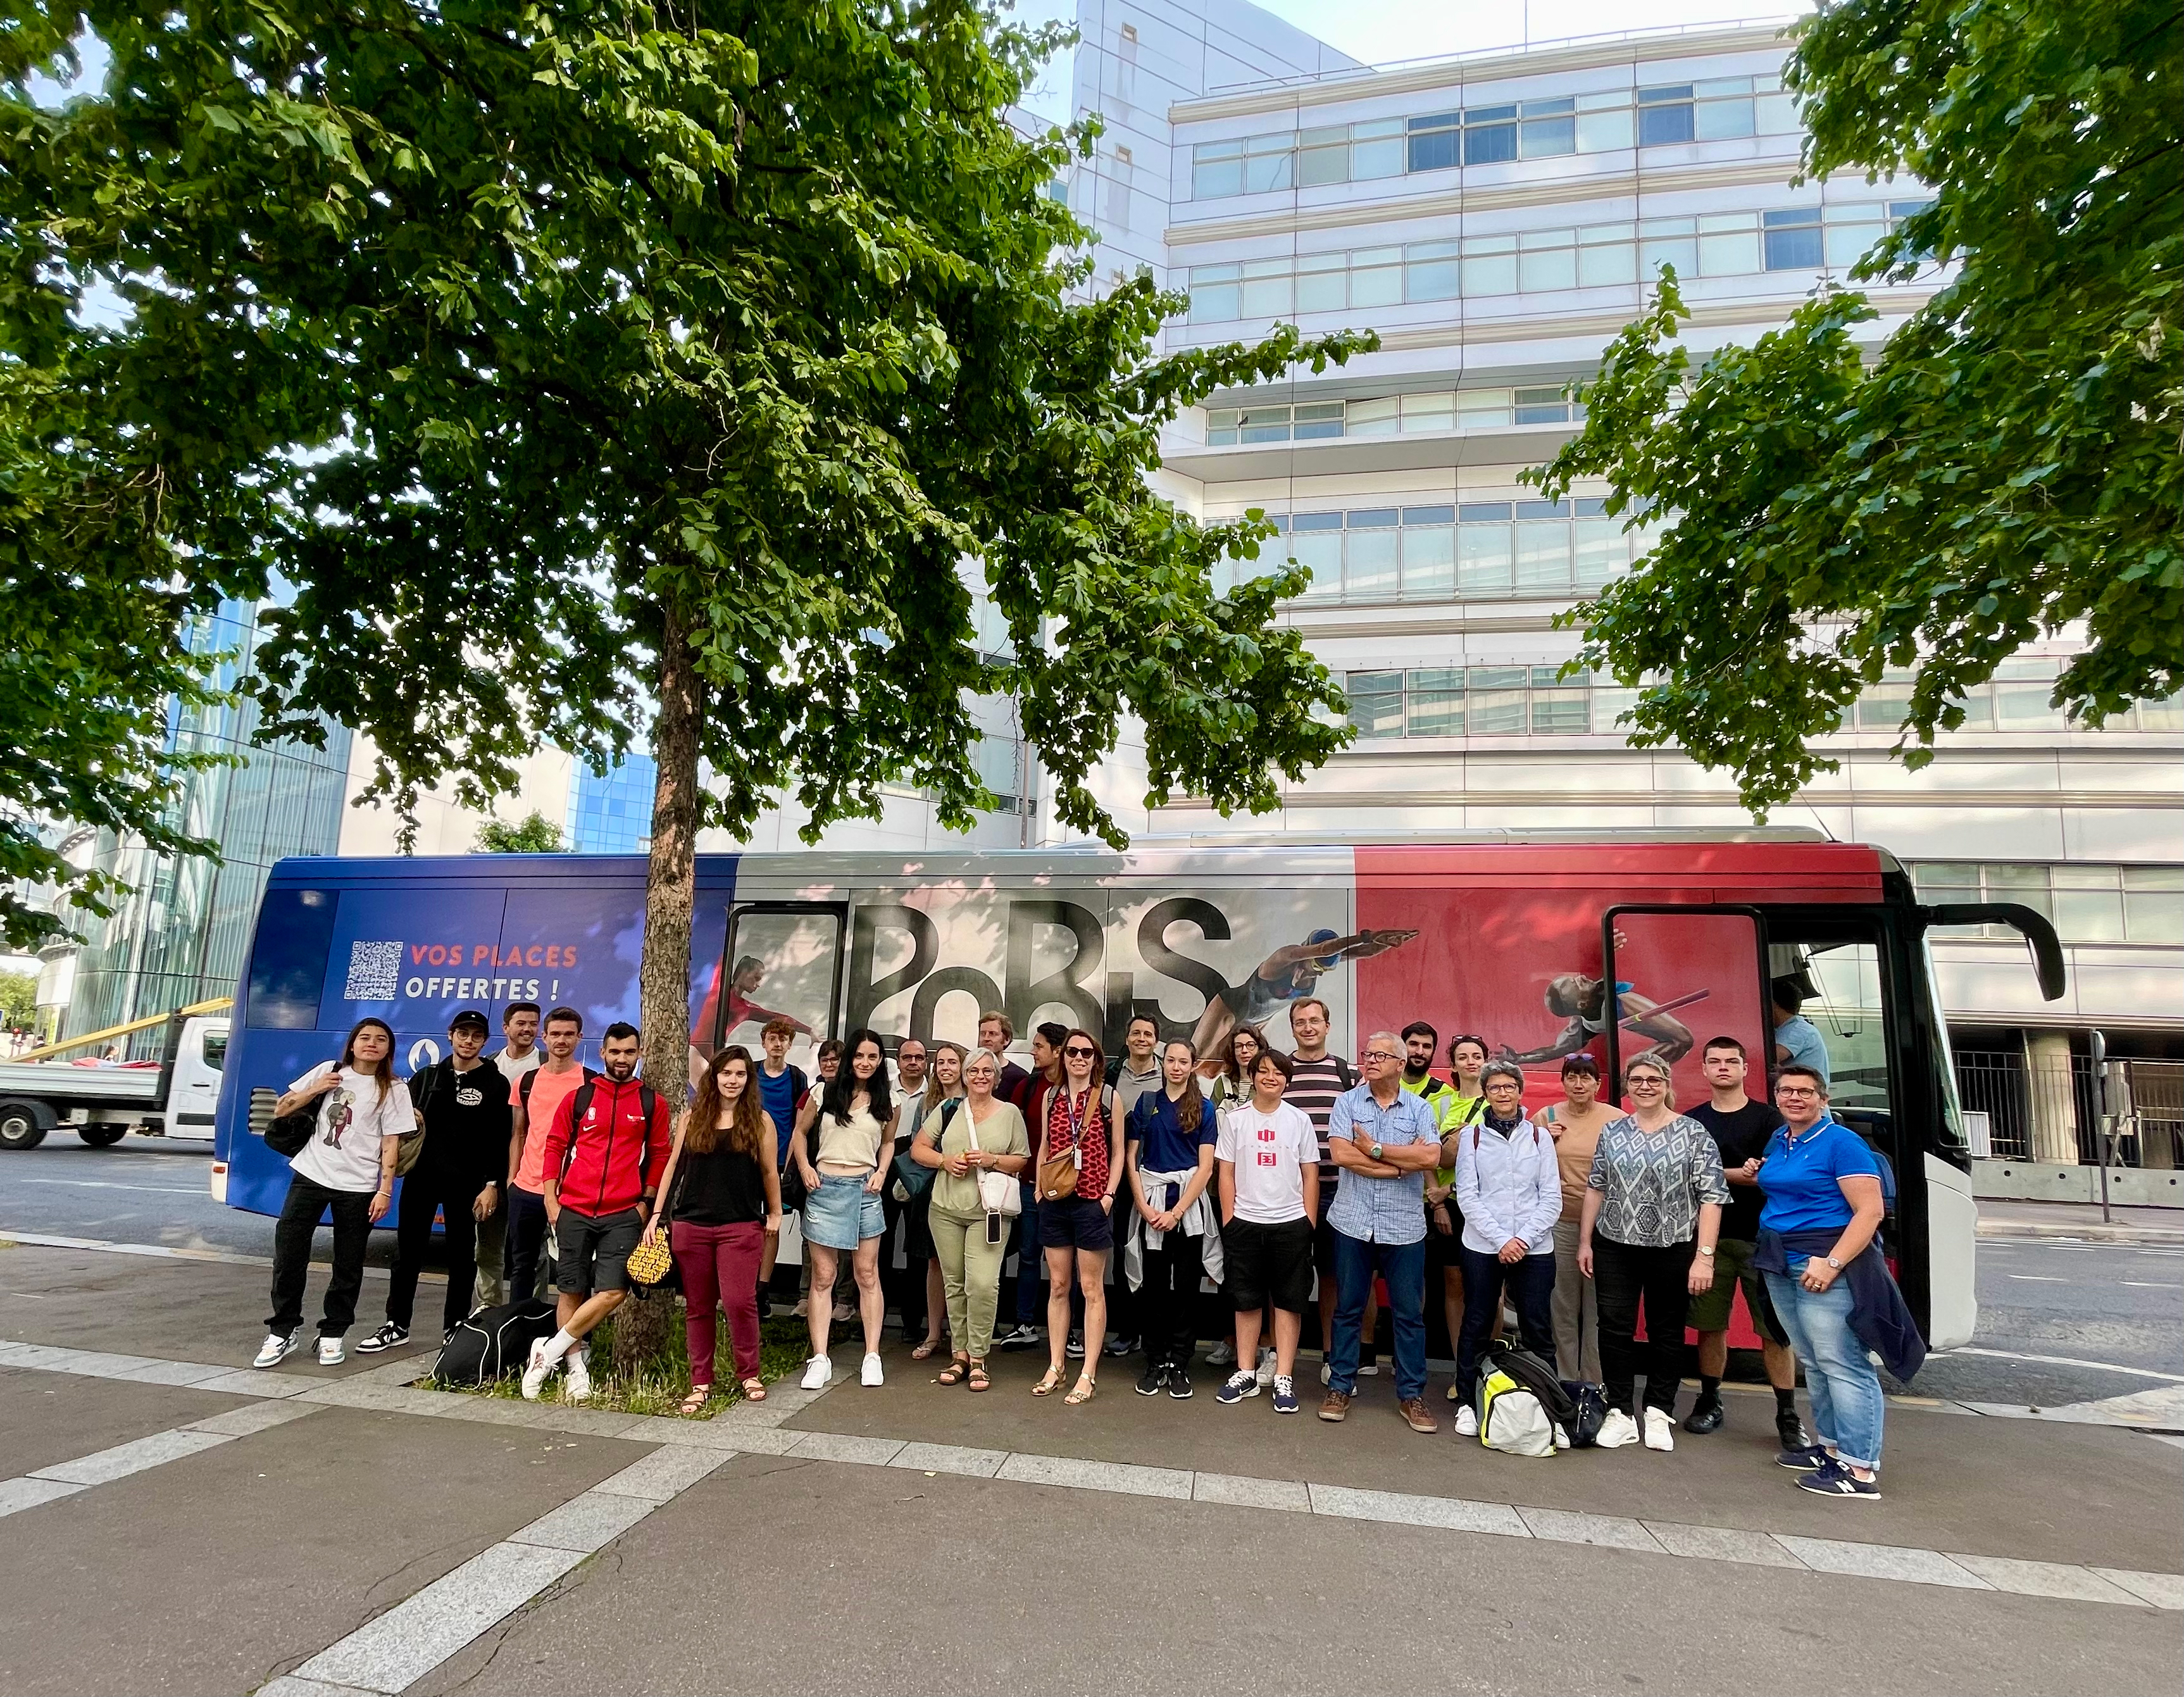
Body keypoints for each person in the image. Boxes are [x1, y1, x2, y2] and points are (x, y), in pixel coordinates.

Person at [1754, 1065, 1907, 1500]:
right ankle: (1831, 1447)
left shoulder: (1842, 1143)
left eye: (1805, 1091)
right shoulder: (1781, 1139)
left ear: (1823, 1098)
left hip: (1821, 1261)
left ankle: (1859, 1470)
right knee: (1814, 1360)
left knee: (1843, 1363)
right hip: (1780, 1259)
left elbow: (1869, 1211)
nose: (1794, 1097)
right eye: (1786, 1090)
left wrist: (1832, 1262)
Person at [1577, 1053, 1728, 1451]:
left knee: (1666, 1330)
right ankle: (1621, 1412)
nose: (1645, 1086)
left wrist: (1705, 1256)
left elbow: (1712, 1197)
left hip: (1673, 1248)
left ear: (1667, 1084)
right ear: (1627, 1087)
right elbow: (1596, 1186)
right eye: (1637, 1080)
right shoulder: (1613, 1132)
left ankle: (1659, 1411)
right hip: (1615, 1246)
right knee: (1613, 1328)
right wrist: (1585, 1241)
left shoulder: (1694, 1134)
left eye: (1653, 1079)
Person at [521, 1022, 673, 1401]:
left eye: (630, 1052)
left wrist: (646, 1204)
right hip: (573, 1207)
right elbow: (554, 1146)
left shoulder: (652, 1102)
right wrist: (551, 1199)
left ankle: (548, 1351)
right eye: (615, 1052)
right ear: (603, 1053)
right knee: (570, 1289)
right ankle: (576, 1371)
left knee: (614, 1290)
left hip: (624, 1211)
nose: (622, 1059)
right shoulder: (579, 1097)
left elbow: (660, 1156)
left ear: (639, 1055)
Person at [256, 1019, 413, 1368]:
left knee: (348, 1264)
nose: (372, 1044)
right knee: (289, 1255)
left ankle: (333, 1333)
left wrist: (384, 1191)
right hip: (311, 1175)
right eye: (365, 1037)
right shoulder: (330, 1071)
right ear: (352, 1044)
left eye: (381, 1039)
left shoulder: (394, 1089)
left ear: (389, 1048)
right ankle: (282, 1331)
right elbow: (281, 1109)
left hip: (357, 1187)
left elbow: (391, 1144)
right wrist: (316, 1089)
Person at [360, 1011, 509, 1353]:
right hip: (421, 1179)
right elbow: (401, 1130)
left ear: (485, 1042)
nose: (468, 1041)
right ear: (450, 1036)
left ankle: (454, 1326)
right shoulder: (426, 1077)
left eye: (476, 1035)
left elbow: (497, 1139)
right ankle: (397, 1324)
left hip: (467, 1185)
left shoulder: (495, 1083)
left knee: (461, 1257)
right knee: (408, 1255)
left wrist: (491, 1184)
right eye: (462, 1034)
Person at [1685, 1036, 1807, 1450]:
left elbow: (1773, 1175)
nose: (1723, 1067)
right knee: (1709, 1326)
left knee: (1775, 1332)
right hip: (1708, 1241)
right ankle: (1708, 1400)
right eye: (1714, 1061)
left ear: (1744, 1069)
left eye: (1731, 1061)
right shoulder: (1692, 1120)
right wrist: (1740, 1172)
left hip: (1762, 1241)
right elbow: (1688, 1177)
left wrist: (1716, 1174)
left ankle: (1787, 1414)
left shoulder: (1769, 1119)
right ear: (1703, 1069)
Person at [646, 1045, 783, 1412]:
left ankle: (748, 1373)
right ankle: (701, 1381)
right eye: (726, 1074)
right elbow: (672, 1166)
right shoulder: (693, 1117)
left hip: (740, 1225)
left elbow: (770, 1171)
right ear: (714, 1077)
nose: (733, 1081)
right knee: (699, 1307)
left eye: (740, 1074)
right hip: (692, 1225)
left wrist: (776, 1212)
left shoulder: (761, 1121)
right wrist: (658, 1215)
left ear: (748, 1080)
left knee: (740, 1302)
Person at [1320, 1032, 1444, 1433]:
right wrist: (1396, 1166)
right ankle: (1340, 1386)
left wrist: (1373, 1149)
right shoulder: (1347, 1103)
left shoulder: (1421, 1109)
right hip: (1353, 1221)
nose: (1370, 1060)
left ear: (1400, 1063)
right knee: (1348, 1309)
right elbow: (1341, 1155)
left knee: (1409, 1314)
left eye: (1379, 1055)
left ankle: (1412, 1395)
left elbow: (1430, 1156)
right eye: (1367, 1054)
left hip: (1404, 1226)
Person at [1449, 1061, 1561, 1436]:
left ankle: (1549, 1406)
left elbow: (1551, 1198)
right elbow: (1467, 1195)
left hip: (1535, 1247)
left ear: (1520, 1091)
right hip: (1483, 1245)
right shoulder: (1473, 1138)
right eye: (1494, 1087)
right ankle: (1467, 1401)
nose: (1502, 1093)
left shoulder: (1540, 1138)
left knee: (1537, 1326)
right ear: (1485, 1093)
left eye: (1509, 1086)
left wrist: (1523, 1240)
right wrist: (1501, 1240)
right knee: (1477, 1322)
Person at [913, 1047, 1032, 1393]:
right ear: (964, 1077)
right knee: (954, 1282)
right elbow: (919, 1149)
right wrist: (945, 1162)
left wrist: (991, 1159)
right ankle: (959, 1354)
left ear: (996, 1077)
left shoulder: (1010, 1113)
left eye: (987, 1071)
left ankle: (979, 1357)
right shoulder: (948, 1109)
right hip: (945, 1209)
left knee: (982, 1283)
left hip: (990, 1212)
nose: (980, 1077)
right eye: (974, 1071)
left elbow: (1022, 1160)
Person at [1214, 1048, 1320, 1413]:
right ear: (1253, 1076)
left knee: (1289, 1303)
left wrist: (1308, 1221)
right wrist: (1230, 1219)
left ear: (1286, 1080)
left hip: (1290, 1224)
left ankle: (1284, 1376)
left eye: (1278, 1073)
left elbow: (1310, 1174)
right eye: (1263, 1072)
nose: (1270, 1078)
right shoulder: (1236, 1120)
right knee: (1246, 1301)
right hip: (1245, 1223)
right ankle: (1245, 1371)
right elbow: (1225, 1171)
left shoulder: (1299, 1120)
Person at [790, 1029, 895, 1389]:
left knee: (867, 1274)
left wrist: (882, 1172)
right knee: (823, 1276)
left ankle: (872, 1355)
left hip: (865, 1190)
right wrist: (805, 1168)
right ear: (850, 1057)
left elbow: (889, 1142)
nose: (865, 1063)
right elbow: (800, 1133)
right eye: (860, 1056)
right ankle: (820, 1358)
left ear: (880, 1062)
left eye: (873, 1057)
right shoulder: (823, 1092)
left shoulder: (887, 1100)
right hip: (825, 1188)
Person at [1125, 1039, 1221, 1398]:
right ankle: (1154, 1361)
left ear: (1194, 1065)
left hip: (1188, 1208)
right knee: (1153, 1288)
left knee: (1185, 1289)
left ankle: (1180, 1363)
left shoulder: (1204, 1108)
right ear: (1163, 1064)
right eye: (1171, 1061)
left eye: (1184, 1061)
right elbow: (1133, 1160)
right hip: (1151, 1202)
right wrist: (1144, 1207)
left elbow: (1206, 1165)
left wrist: (1177, 1211)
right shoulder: (1146, 1104)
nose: (1177, 1067)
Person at [1031, 1028, 1123, 1405]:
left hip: (1091, 1201)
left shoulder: (1109, 1097)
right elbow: (1046, 1146)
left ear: (1096, 1059)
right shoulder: (1051, 1096)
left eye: (1086, 1053)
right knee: (1057, 1285)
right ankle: (1056, 1364)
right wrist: (1039, 1188)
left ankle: (1088, 1371)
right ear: (1063, 1056)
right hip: (1055, 1199)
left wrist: (1109, 1195)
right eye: (1072, 1052)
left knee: (1091, 1288)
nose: (1079, 1059)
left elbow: (1119, 1151)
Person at [1190, 925, 1419, 1057]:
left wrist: (1385, 941)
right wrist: (1363, 937)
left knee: (1215, 1069)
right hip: (1230, 1007)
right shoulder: (1284, 958)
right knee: (1198, 1058)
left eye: (1323, 972)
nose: (1316, 975)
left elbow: (1364, 953)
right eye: (1316, 967)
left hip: (1257, 1020)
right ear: (1308, 956)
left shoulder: (1319, 964)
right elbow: (1321, 949)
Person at [1281, 998, 1357, 1384]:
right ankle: (1278, 1359)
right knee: (1284, 1280)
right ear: (1291, 1027)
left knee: (1331, 1279)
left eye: (1315, 1021)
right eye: (1300, 1022)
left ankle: (1330, 1357)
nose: (1308, 1027)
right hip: (1286, 1197)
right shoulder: (1278, 1071)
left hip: (1338, 1195)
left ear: (1328, 1026)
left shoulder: (1347, 1075)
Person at [1502, 932, 1695, 1068]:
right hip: (1614, 1008)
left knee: (1682, 1040)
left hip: (1617, 1008)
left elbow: (1595, 962)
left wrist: (1608, 948)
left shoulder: (1595, 1001)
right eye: (1576, 985)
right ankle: (1634, 1072)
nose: (1580, 978)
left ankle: (1635, 1070)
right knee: (1683, 1039)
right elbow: (1554, 1051)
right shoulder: (1583, 1022)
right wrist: (1520, 1058)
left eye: (1573, 979)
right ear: (1581, 1005)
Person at [506, 1008, 592, 1302]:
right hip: (527, 1189)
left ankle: (574, 1339)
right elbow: (518, 1133)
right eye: (555, 1034)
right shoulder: (526, 1082)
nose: (561, 1040)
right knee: (522, 1267)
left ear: (580, 1038)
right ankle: (518, 1330)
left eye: (569, 1034)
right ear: (544, 1037)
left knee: (576, 1269)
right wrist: (511, 1180)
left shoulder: (591, 1085)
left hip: (572, 1193)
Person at [1538, 1054, 1612, 1382]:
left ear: (1598, 1084)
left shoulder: (1617, 1119)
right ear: (1563, 1082)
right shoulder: (1546, 1116)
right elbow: (1524, 1164)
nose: (1579, 1084)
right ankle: (1567, 1382)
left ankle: (1595, 1384)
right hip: (1560, 1224)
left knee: (1599, 1312)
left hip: (1605, 1228)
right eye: (1572, 1077)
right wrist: (1541, 1140)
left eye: (1586, 1078)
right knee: (1562, 1308)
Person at [1425, 1032, 1489, 1398]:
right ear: (1453, 1065)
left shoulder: (1497, 1101)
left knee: (1489, 1290)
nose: (1470, 1062)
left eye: (1477, 1055)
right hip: (1448, 1209)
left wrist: (1463, 1141)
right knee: (1454, 1287)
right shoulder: (1439, 1104)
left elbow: (1494, 1158)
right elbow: (1428, 1154)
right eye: (1463, 1057)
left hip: (1485, 1206)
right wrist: (1437, 1202)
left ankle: (1489, 1367)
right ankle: (1461, 1369)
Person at [995, 1020, 1066, 1351]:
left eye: (1039, 1046)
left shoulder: (1076, 1087)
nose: (1033, 1051)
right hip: (1028, 1184)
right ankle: (1024, 1324)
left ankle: (1070, 1332)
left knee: (1066, 1262)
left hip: (1067, 1189)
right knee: (1027, 1255)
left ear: (1058, 1051)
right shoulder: (1027, 1086)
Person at [1204, 1022, 1270, 1376]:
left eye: (1251, 1045)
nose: (1245, 1050)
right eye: (1239, 1045)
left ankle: (1266, 1347)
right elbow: (1213, 1134)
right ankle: (1229, 1339)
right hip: (1224, 1186)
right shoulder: (1222, 1084)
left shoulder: (1272, 1083)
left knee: (1264, 1270)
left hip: (1261, 1187)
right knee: (1227, 1265)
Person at [899, 1040, 961, 1361]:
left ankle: (961, 1335)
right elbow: (915, 1146)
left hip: (966, 1192)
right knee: (933, 1263)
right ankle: (934, 1333)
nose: (946, 1068)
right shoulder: (927, 1102)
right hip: (929, 1191)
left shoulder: (977, 1102)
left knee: (963, 1265)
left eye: (953, 1062)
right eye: (942, 1063)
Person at [477, 999, 541, 1306]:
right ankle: (490, 1308)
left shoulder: (545, 1065)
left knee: (534, 1252)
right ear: (506, 1028)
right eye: (521, 1023)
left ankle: (533, 1309)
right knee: (487, 1247)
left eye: (533, 1024)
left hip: (531, 1173)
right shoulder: (488, 1065)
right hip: (489, 1171)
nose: (528, 1029)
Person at [882, 1036, 934, 1347]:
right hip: (887, 1167)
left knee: (917, 1250)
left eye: (919, 1058)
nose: (913, 1062)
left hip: (920, 1172)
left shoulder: (935, 1094)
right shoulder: (885, 1091)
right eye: (907, 1058)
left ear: (924, 1062)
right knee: (881, 1247)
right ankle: (876, 1317)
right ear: (898, 1061)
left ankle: (912, 1323)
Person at [790, 1036, 846, 1321]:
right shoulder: (811, 1093)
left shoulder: (855, 1094)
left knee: (849, 1242)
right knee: (810, 1236)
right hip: (813, 1173)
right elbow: (798, 1132)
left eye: (835, 1059)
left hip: (848, 1177)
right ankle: (805, 1294)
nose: (829, 1064)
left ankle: (845, 1300)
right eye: (825, 1059)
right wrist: (794, 1170)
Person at [754, 1017, 810, 1299]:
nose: (777, 1044)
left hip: (779, 1165)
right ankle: (742, 1284)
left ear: (790, 1045)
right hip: (748, 1163)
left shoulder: (798, 1078)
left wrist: (790, 1166)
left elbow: (800, 1125)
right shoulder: (750, 1074)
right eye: (772, 1038)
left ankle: (762, 1288)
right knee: (746, 1225)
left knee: (772, 1225)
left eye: (783, 1039)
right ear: (763, 1042)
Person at [1770, 980, 1831, 1084]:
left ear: (1772, 1004)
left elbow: (1768, 1058)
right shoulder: (1787, 1028)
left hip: (1804, 1095)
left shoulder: (1798, 1030)